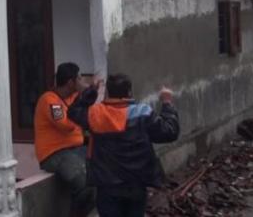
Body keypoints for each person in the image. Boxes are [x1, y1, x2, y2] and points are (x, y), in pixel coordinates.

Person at [68, 73, 179, 216]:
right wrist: (167, 103)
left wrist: (92, 90)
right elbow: (170, 132)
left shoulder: (96, 114)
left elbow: (73, 112)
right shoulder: (143, 113)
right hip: (136, 184)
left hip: (107, 185)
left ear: (107, 92)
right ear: (129, 92)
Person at [34, 62, 92, 215]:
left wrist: (89, 94)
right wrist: (82, 101)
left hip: (75, 149)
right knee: (85, 184)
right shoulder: (50, 101)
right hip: (55, 153)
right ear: (70, 82)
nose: (82, 82)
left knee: (103, 173)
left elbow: (88, 117)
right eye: (79, 79)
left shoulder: (73, 97)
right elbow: (65, 125)